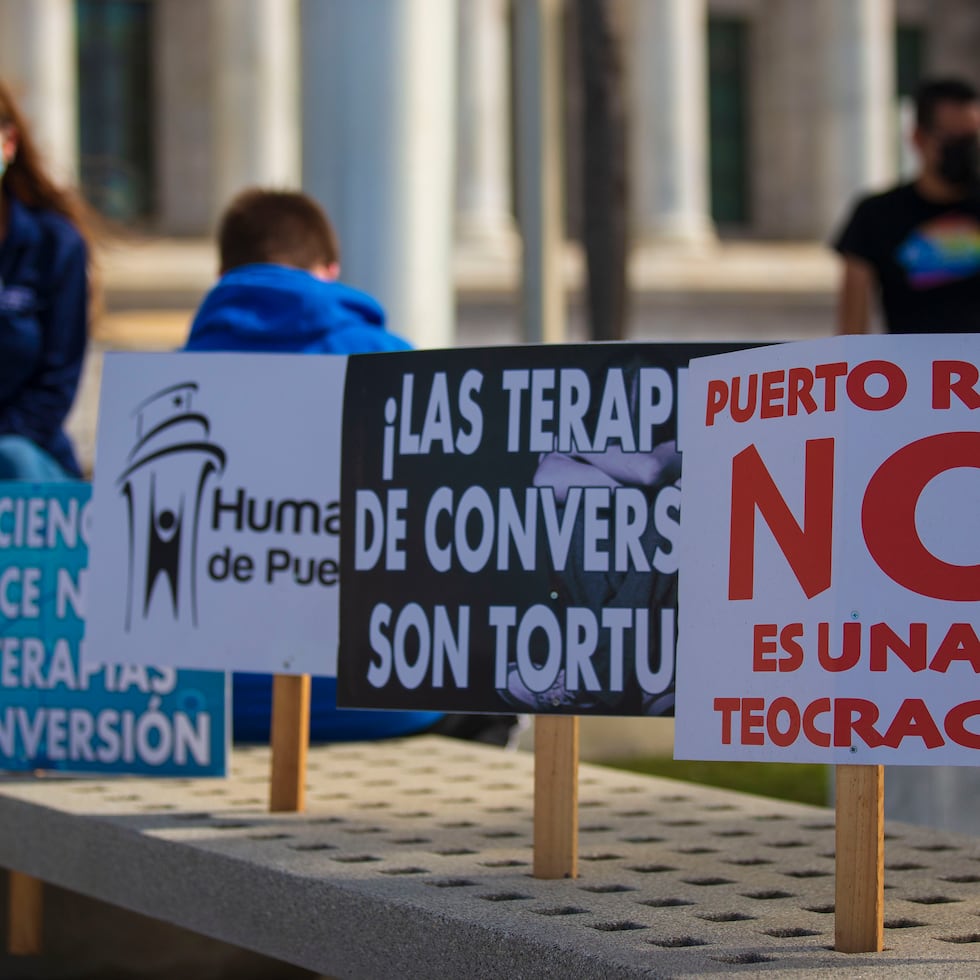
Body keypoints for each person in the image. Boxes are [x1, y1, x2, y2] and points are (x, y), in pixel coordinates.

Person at [185, 187, 443, 743]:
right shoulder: (396, 366)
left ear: (223, 272)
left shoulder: (168, 391)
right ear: (330, 270)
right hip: (392, 703)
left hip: (205, 710)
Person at [835, 77, 980, 335]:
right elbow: (851, 331)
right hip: (911, 372)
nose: (965, 150)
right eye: (952, 140)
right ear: (918, 138)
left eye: (971, 139)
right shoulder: (876, 214)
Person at [0, 80, 90, 479]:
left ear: (9, 143)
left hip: (24, 460)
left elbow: (55, 388)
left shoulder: (56, 245)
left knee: (12, 459)